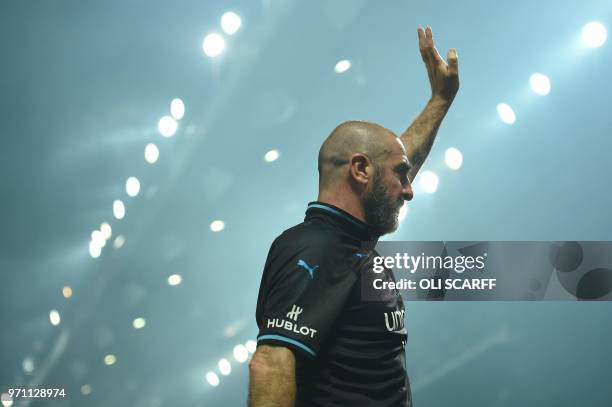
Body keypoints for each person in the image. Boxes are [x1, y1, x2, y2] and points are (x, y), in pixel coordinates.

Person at [248, 26, 459, 407]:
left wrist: (440, 101)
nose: (409, 188)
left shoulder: (346, 242)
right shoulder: (315, 247)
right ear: (360, 171)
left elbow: (395, 160)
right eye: (401, 176)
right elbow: (271, 363)